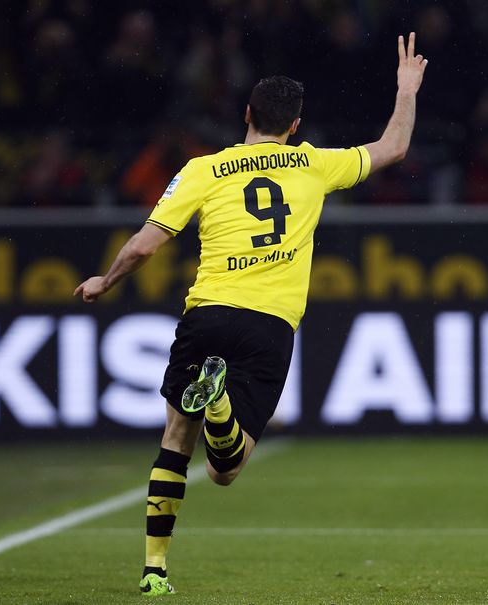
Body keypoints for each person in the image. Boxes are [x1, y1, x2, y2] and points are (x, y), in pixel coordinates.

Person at [75, 32, 427, 597]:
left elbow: (143, 246)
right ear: (295, 125)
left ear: (246, 114)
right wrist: (406, 89)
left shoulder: (200, 171)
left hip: (207, 312)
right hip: (269, 325)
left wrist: (105, 280)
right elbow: (393, 148)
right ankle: (219, 406)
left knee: (174, 436)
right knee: (225, 470)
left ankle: (154, 569)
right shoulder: (314, 164)